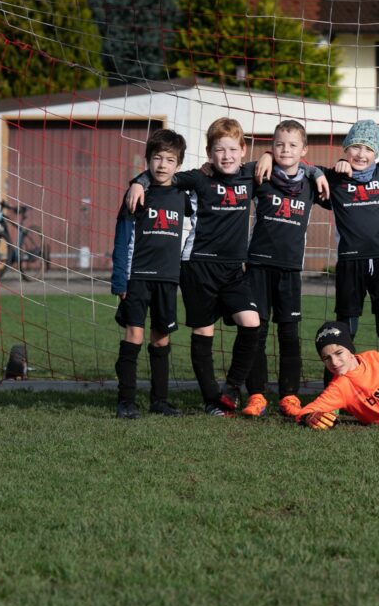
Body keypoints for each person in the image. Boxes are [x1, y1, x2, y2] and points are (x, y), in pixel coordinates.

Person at [126, 118, 264, 416]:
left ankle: (231, 389)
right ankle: (211, 400)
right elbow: (163, 174)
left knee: (252, 323)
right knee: (204, 332)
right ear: (208, 153)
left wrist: (266, 156)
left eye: (232, 149)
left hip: (233, 270)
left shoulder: (252, 175)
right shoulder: (198, 179)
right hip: (197, 267)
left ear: (243, 150)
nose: (226, 156)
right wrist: (138, 181)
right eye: (218, 150)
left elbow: (287, 163)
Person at [240, 119, 329, 417]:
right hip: (257, 268)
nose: (285, 150)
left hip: (290, 270)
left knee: (289, 333)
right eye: (279, 144)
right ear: (272, 146)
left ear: (304, 150)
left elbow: (341, 179)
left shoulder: (312, 183)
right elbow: (228, 171)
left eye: (292, 145)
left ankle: (290, 396)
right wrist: (263, 157)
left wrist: (316, 171)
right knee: (256, 332)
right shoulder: (260, 175)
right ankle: (256, 395)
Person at [110, 129, 189, 419]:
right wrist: (121, 279)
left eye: (170, 159)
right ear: (147, 160)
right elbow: (122, 238)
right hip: (138, 277)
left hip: (168, 279)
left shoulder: (184, 195)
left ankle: (160, 400)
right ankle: (126, 401)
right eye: (157, 158)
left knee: (162, 338)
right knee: (134, 335)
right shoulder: (137, 194)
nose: (162, 165)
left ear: (178, 165)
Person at [320, 119, 379, 363]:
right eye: (356, 146)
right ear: (345, 149)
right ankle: (337, 393)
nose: (361, 154)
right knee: (345, 333)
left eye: (368, 148)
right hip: (350, 262)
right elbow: (298, 168)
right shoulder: (333, 178)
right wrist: (268, 155)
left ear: (376, 153)